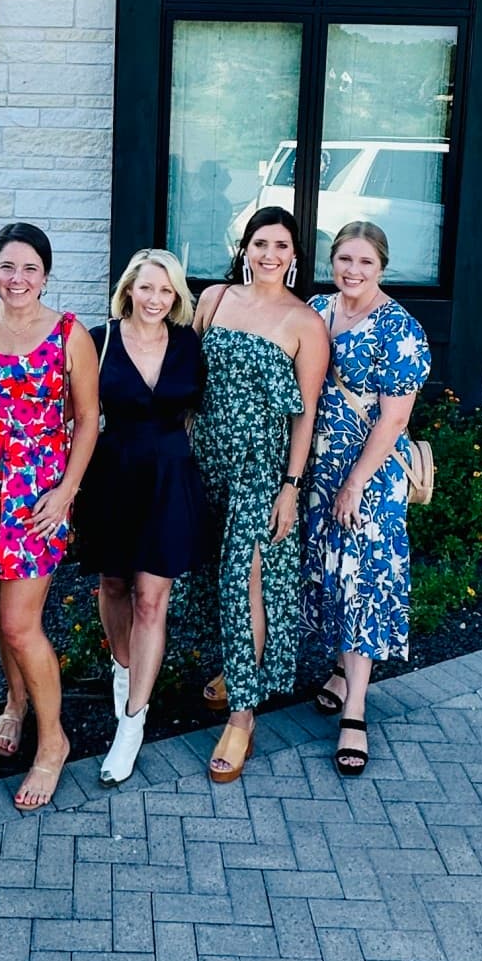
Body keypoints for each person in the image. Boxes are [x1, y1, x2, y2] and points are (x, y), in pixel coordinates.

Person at [0, 222, 101, 812]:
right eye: (8, 267)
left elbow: (89, 419)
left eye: (30, 269)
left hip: (36, 492)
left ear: (46, 275)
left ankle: (54, 739)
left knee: (22, 622)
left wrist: (67, 491)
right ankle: (13, 703)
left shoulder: (69, 334)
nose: (18, 280)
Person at [190, 204, 329, 783]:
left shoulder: (305, 324)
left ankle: (243, 716)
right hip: (204, 459)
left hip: (261, 467)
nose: (269, 255)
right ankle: (234, 666)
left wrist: (291, 487)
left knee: (244, 579)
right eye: (259, 243)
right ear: (244, 248)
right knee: (205, 575)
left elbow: (306, 415)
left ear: (295, 257)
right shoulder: (214, 301)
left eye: (281, 246)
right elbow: (186, 377)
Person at [301, 221, 433, 774]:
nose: (352, 271)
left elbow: (394, 416)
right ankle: (340, 670)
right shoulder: (317, 309)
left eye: (365, 263)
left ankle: (355, 710)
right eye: (344, 260)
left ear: (382, 267)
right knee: (331, 576)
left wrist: (355, 481)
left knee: (362, 583)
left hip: (368, 477)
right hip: (318, 470)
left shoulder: (400, 329)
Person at [73, 248, 207, 788]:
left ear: (176, 297)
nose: (155, 299)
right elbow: (75, 414)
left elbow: (198, 412)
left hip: (170, 477)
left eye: (166, 291)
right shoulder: (96, 339)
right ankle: (123, 671)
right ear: (129, 287)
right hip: (112, 473)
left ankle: (132, 723)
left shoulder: (188, 343)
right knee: (113, 583)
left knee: (152, 598)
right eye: (146, 288)